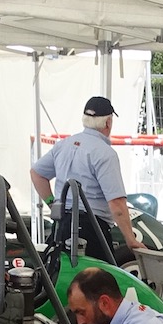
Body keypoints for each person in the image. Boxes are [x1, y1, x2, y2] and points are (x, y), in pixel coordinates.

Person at [31, 96, 142, 255]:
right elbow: (117, 203)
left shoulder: (63, 145)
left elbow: (36, 173)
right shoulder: (105, 153)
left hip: (62, 225)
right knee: (99, 271)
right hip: (93, 229)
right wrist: (131, 240)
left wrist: (52, 203)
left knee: (60, 269)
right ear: (108, 122)